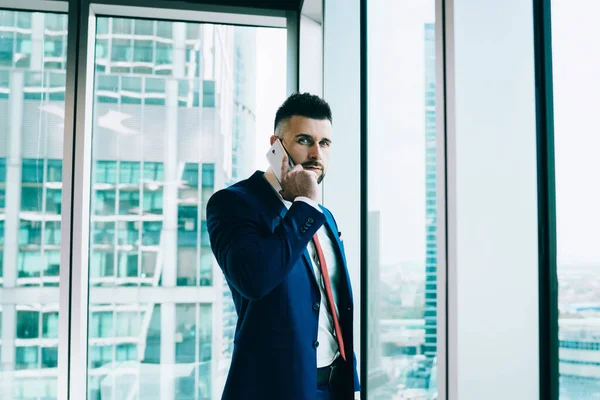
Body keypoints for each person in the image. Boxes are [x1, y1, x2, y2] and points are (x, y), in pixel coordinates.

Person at [207, 93, 360, 400]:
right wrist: (303, 203)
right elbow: (254, 279)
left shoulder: (324, 216)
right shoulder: (234, 204)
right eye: (305, 140)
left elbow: (334, 306)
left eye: (325, 143)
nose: (316, 153)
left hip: (333, 387)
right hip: (274, 389)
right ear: (275, 145)